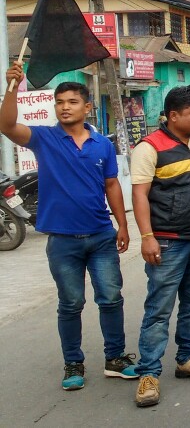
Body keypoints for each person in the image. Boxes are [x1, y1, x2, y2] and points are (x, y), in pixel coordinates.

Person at [1, 64, 137, 391]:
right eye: (60, 101)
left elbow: (112, 186)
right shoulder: (45, 138)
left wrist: (123, 225)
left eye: (72, 101)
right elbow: (6, 125)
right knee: (71, 303)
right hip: (62, 242)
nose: (64, 106)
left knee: (110, 298)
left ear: (86, 107)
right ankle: (73, 362)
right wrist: (12, 86)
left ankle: (115, 359)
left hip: (102, 236)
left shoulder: (102, 145)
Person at [130, 86, 190, 407]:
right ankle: (148, 373)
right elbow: (139, 195)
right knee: (159, 309)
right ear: (174, 116)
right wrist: (147, 237)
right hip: (168, 242)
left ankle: (188, 357)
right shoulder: (149, 148)